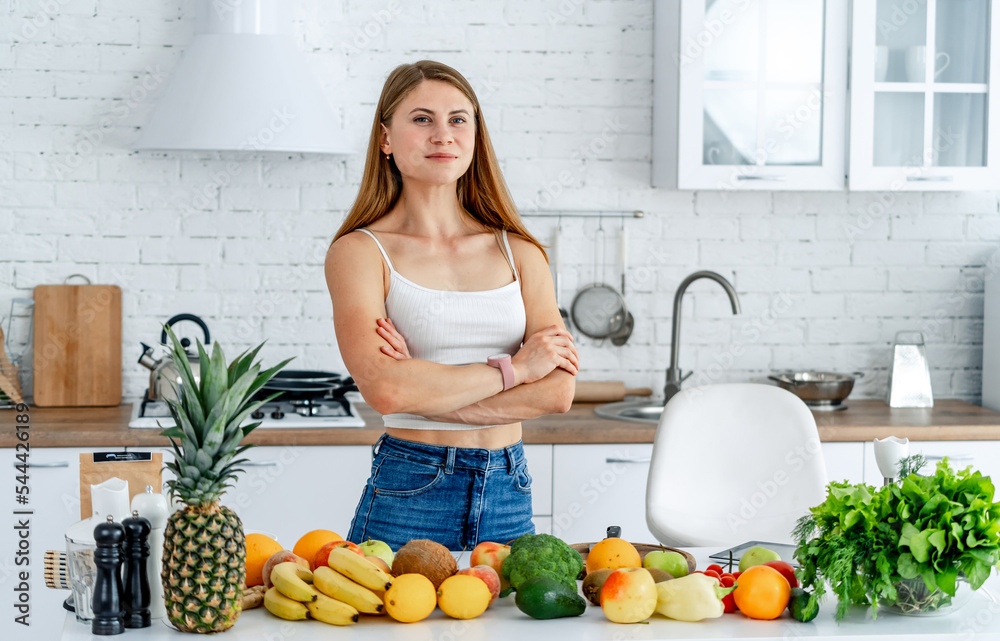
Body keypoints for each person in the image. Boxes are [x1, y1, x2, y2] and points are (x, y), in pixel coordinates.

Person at [324, 60, 579, 551]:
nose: (443, 134)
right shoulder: (359, 253)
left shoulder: (521, 252)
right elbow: (387, 391)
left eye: (458, 120)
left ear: (475, 137)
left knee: (506, 629)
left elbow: (556, 394)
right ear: (386, 139)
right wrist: (518, 369)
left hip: (510, 487)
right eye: (422, 119)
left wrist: (427, 389)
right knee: (392, 628)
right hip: (412, 486)